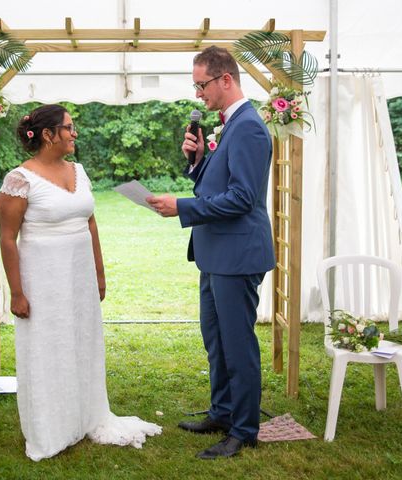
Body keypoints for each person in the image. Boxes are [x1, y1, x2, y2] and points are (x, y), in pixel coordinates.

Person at [0, 104, 161, 461]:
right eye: (69, 128)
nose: (74, 134)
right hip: (42, 279)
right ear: (48, 135)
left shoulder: (79, 171)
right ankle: (50, 427)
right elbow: (8, 238)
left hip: (79, 276)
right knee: (48, 348)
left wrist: (99, 274)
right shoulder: (20, 180)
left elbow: (90, 223)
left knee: (82, 344)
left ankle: (86, 415)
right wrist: (17, 292)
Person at [147, 46, 275, 459]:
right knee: (216, 341)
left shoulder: (250, 127)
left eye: (201, 85)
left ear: (225, 79)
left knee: (238, 345)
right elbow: (219, 184)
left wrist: (182, 206)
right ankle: (222, 412)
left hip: (237, 256)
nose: (198, 94)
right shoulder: (230, 126)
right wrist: (198, 162)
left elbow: (241, 198)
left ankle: (244, 429)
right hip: (214, 253)